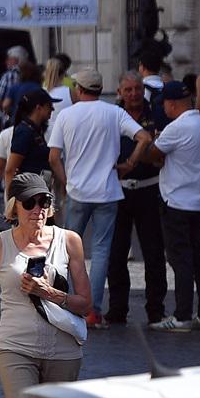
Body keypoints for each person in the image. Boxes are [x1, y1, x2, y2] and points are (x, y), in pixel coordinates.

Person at [0, 172, 90, 398]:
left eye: (43, 202)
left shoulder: (69, 241)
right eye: (29, 203)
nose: (38, 209)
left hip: (64, 349)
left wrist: (49, 292)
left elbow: (86, 303)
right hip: (15, 347)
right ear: (14, 207)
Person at [46, 68, 152, 327]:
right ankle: (91, 309)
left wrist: (66, 180)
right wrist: (129, 164)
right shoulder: (114, 113)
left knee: (68, 249)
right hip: (108, 191)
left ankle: (65, 301)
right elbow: (144, 137)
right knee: (102, 250)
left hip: (78, 191)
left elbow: (53, 157)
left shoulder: (67, 115)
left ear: (79, 90)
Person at [136, 80, 200, 331]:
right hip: (199, 201)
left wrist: (150, 140)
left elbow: (151, 155)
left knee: (181, 260)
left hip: (177, 202)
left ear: (171, 105)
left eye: (165, 106)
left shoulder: (177, 127)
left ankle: (182, 315)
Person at [103, 72, 169, 329]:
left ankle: (156, 310)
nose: (133, 94)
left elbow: (161, 153)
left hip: (149, 190)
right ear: (120, 91)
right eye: (128, 89)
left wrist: (140, 156)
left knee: (153, 253)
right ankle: (117, 309)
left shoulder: (157, 114)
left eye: (137, 89)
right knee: (116, 253)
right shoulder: (111, 115)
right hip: (118, 191)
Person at [1, 90, 54, 203]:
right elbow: (10, 169)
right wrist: (12, 200)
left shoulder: (36, 130)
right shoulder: (25, 132)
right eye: (49, 106)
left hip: (39, 190)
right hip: (28, 194)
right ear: (38, 108)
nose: (52, 110)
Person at [0, 46, 30, 125]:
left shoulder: (8, 76)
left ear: (16, 60)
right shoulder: (32, 76)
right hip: (29, 120)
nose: (6, 62)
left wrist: (9, 111)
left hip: (10, 121)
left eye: (8, 59)